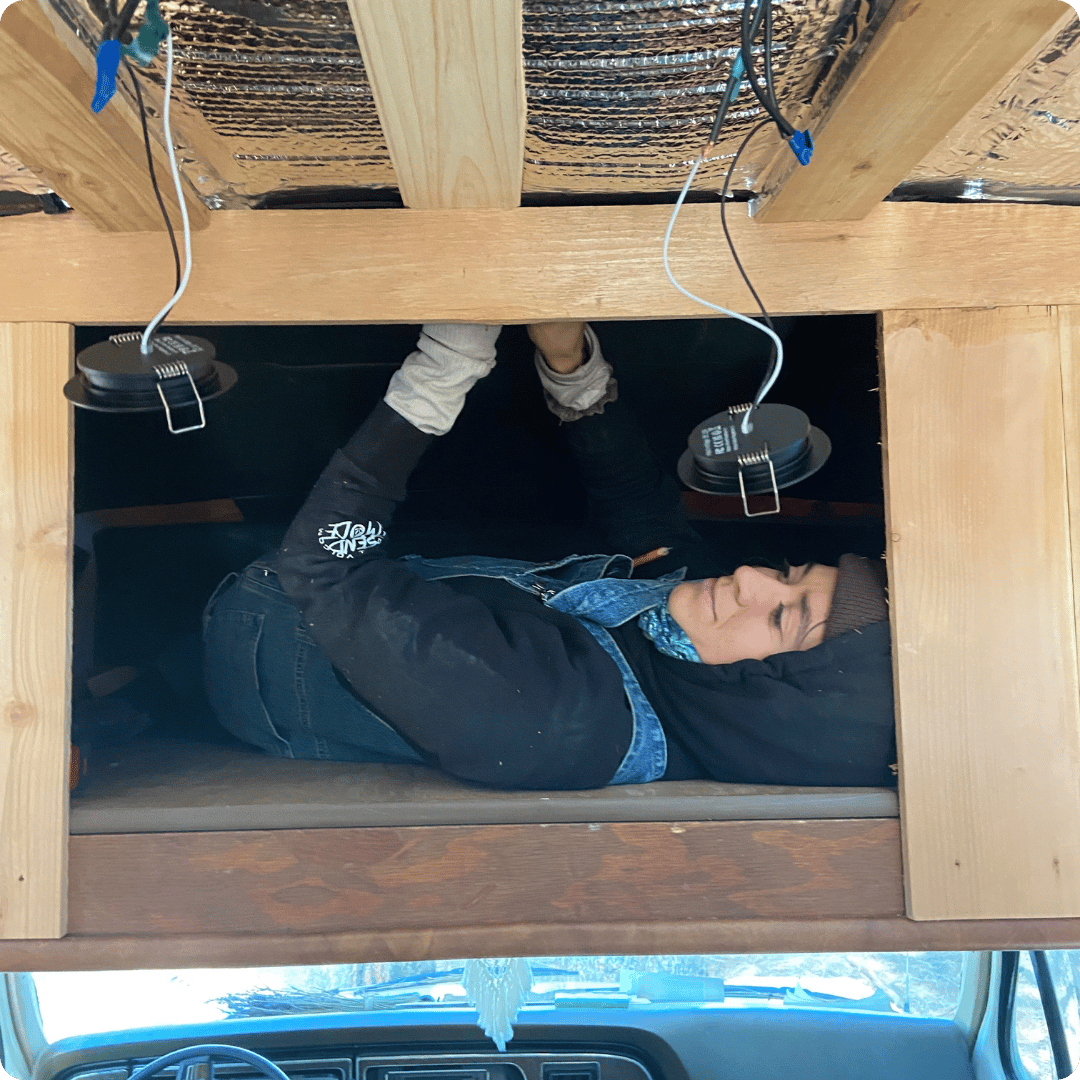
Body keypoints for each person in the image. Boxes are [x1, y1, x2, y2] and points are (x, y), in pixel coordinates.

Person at [202, 321, 896, 791]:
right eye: (785, 574)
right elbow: (646, 522)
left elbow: (321, 571)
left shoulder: (554, 720)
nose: (747, 578)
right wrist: (570, 362)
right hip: (360, 601)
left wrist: (445, 369)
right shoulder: (699, 660)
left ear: (774, 705)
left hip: (266, 631)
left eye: (782, 618)